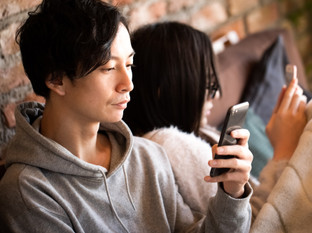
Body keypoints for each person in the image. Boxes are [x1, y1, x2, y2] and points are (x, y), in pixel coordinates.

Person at [0, 0, 254, 232]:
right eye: (109, 67)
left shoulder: (148, 156)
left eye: (130, 65)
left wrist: (231, 193)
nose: (128, 83)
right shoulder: (29, 192)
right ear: (56, 79)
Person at [123, 21, 307, 219]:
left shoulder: (195, 133)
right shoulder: (168, 143)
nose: (216, 95)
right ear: (165, 91)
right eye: (208, 85)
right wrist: (284, 150)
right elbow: (254, 224)